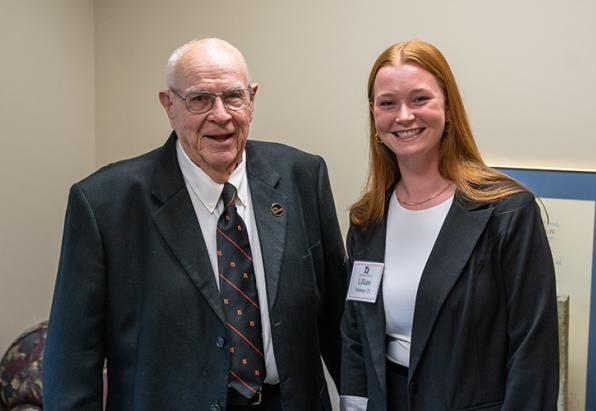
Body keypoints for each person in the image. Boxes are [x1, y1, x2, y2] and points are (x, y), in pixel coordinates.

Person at [43, 38, 347, 411]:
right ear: (169, 105)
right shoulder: (104, 205)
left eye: (234, 97)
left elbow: (339, 325)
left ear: (251, 100)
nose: (221, 115)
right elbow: (72, 363)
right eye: (200, 99)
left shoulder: (302, 176)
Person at [340, 40, 559, 410]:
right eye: (388, 103)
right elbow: (356, 340)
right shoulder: (367, 220)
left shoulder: (506, 213)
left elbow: (533, 351)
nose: (404, 116)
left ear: (448, 107)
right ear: (374, 116)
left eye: (420, 99)